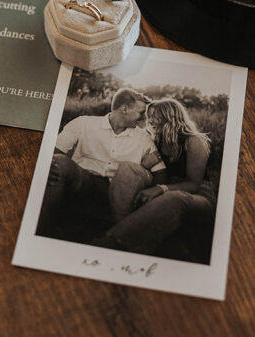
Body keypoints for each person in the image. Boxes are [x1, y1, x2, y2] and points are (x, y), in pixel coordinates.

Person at [36, 87, 165, 237]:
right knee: (58, 163)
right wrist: (49, 165)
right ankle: (42, 231)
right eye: (141, 112)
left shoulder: (143, 138)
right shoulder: (84, 123)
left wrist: (150, 190)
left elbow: (160, 172)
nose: (144, 119)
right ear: (124, 109)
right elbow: (55, 151)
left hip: (119, 193)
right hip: (84, 181)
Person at [98, 97, 216, 254]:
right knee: (129, 169)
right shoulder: (155, 139)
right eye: (149, 116)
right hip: (165, 187)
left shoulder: (194, 141)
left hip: (198, 194)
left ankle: (110, 242)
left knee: (174, 198)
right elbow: (151, 169)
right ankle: (122, 228)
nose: (149, 120)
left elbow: (194, 184)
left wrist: (160, 188)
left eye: (155, 116)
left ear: (170, 116)